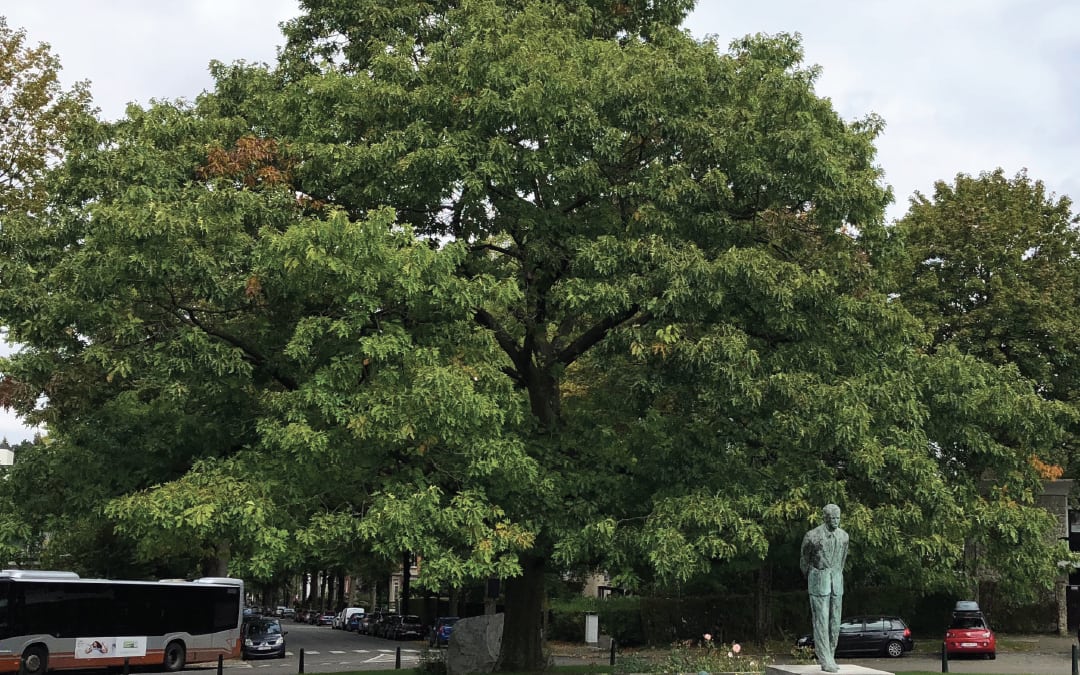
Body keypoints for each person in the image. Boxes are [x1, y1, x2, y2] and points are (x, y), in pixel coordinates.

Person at [800, 504, 848, 673]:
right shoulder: (812, 536)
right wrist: (814, 576)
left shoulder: (844, 536)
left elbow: (842, 562)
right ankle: (825, 658)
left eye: (838, 518)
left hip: (836, 582)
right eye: (832, 518)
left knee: (835, 622)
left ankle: (831, 655)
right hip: (818, 581)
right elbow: (804, 561)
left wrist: (835, 576)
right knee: (821, 622)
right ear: (825, 518)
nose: (835, 521)